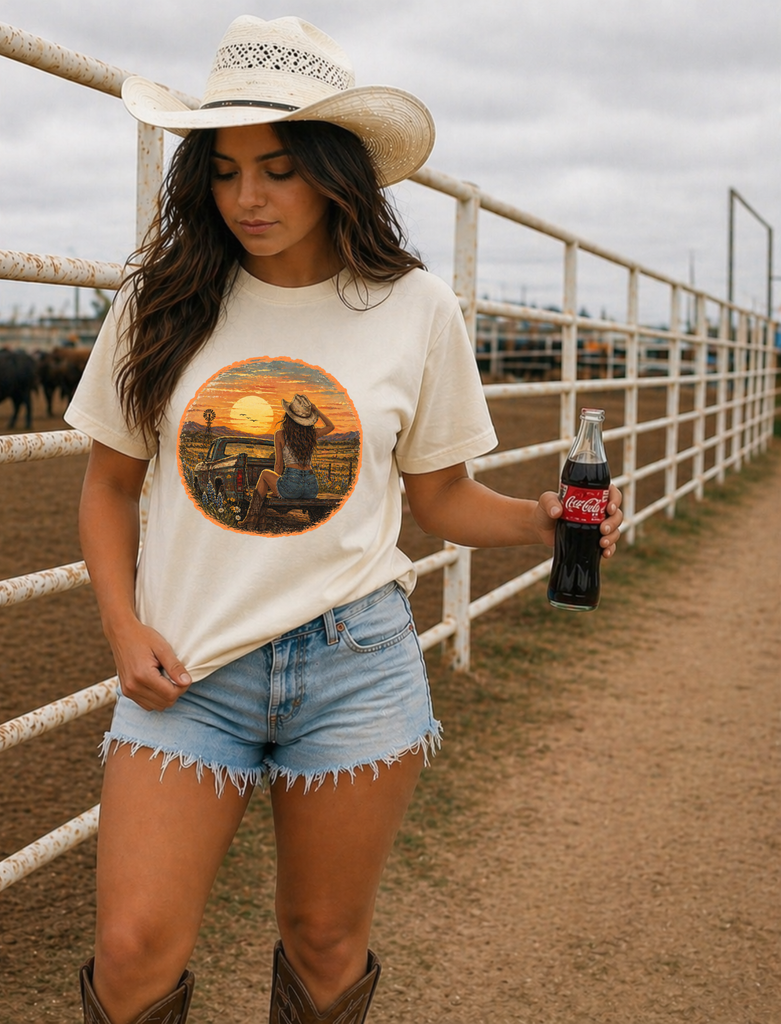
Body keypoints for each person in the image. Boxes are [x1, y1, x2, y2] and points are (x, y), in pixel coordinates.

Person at [65, 16, 624, 1024]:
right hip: (189, 670)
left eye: (277, 169)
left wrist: (543, 523)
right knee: (131, 945)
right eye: (226, 170)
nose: (247, 198)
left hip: (354, 663)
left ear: (333, 171)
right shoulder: (160, 304)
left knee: (326, 943)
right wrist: (122, 625)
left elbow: (439, 499)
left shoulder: (414, 309)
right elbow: (108, 487)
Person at [240, 394, 334, 528]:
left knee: (265, 474)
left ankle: (251, 519)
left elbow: (278, 466)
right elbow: (330, 426)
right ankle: (258, 520)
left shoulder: (280, 434)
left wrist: (275, 488)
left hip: (292, 486)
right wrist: (316, 410)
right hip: (311, 488)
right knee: (275, 482)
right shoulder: (311, 434)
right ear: (307, 419)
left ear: (289, 416)